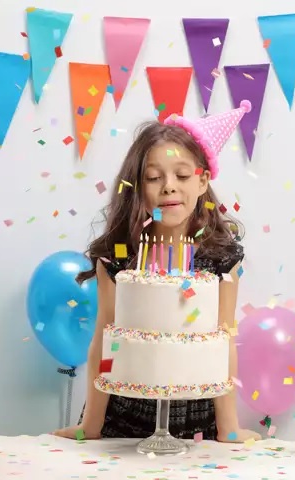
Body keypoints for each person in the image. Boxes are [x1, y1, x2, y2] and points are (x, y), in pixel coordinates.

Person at [53, 101, 261, 443]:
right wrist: (90, 424)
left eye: (182, 175)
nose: (168, 186)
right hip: (122, 422)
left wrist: (229, 427)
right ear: (138, 185)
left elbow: (224, 338)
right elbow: (105, 338)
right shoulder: (118, 258)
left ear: (203, 180)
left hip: (197, 427)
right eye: (153, 177)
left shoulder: (220, 258)